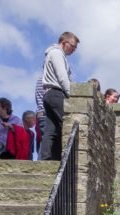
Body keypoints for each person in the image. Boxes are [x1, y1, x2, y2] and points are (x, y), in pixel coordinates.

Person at [39, 31, 79, 161]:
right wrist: (71, 96)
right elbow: (62, 77)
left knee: (51, 129)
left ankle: (47, 159)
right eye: (72, 46)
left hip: (49, 94)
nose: (74, 50)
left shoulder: (54, 54)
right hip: (56, 93)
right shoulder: (56, 53)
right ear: (63, 42)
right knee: (68, 123)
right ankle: (65, 158)